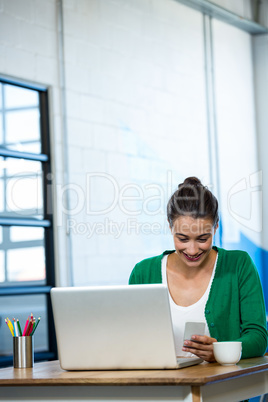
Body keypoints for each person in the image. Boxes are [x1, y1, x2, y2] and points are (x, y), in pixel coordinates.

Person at [129, 177, 267, 362]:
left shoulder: (238, 265)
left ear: (216, 227)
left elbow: (258, 337)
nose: (192, 250)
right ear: (170, 227)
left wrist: (220, 351)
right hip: (159, 388)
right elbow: (131, 338)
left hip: (219, 387)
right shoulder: (143, 273)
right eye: (183, 239)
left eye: (202, 238)